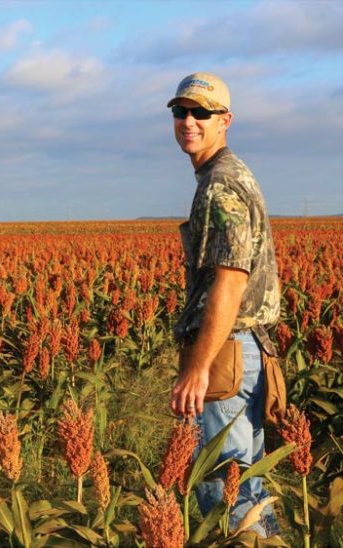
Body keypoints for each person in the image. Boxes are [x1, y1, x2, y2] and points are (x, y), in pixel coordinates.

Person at [167, 72, 282, 537]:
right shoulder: (231, 175)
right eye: (181, 112)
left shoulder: (220, 185)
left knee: (224, 491)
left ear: (225, 120)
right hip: (245, 351)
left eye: (202, 113)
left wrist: (198, 367)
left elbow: (229, 284)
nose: (189, 122)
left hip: (227, 354)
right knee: (246, 484)